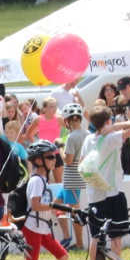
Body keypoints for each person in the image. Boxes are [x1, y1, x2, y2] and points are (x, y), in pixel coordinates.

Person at [13, 141, 77, 260]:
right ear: (39, 161)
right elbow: (35, 205)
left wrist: (57, 208)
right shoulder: (36, 181)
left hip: (42, 228)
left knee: (62, 255)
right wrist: (54, 207)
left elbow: (44, 203)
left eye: (54, 156)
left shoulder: (43, 180)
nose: (54, 160)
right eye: (50, 157)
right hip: (32, 228)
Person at [80, 104, 130, 260]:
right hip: (113, 193)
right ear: (108, 121)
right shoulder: (111, 138)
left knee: (95, 238)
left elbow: (82, 163)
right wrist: (114, 126)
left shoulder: (88, 139)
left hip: (94, 194)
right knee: (116, 237)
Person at [56, 102, 87, 250]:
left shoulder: (72, 137)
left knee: (75, 213)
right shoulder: (85, 134)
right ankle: (67, 237)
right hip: (74, 179)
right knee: (56, 205)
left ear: (67, 121)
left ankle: (79, 244)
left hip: (72, 179)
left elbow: (68, 161)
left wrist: (59, 149)